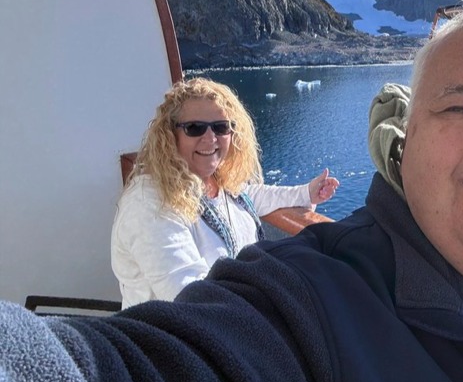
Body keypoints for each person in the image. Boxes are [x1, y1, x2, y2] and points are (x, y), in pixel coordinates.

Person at [0, 8, 463, 382]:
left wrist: (305, 191)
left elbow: (253, 199)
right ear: (405, 142)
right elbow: (139, 379)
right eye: (459, 107)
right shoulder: (310, 306)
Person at [112, 77, 340, 307]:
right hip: (184, 326)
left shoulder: (218, 183)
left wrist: (305, 193)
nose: (210, 138)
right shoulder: (149, 202)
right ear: (170, 135)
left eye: (220, 127)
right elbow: (190, 296)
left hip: (234, 314)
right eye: (195, 128)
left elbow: (252, 196)